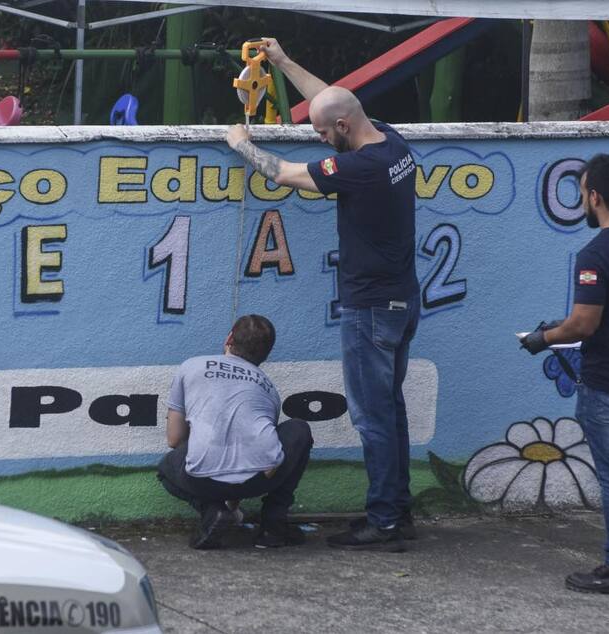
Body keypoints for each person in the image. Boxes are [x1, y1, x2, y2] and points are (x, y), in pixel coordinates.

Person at [226, 39, 419, 552]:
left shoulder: (359, 168)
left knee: (373, 419)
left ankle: (384, 523)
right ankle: (398, 511)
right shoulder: (392, 143)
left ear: (343, 128)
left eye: (321, 133)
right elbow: (333, 99)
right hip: (402, 301)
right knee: (391, 411)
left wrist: (240, 143)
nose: (318, 139)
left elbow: (286, 175)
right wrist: (284, 62)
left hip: (371, 308)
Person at [520, 154, 609, 597]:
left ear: (595, 196)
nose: (583, 200)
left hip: (608, 385)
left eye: (583, 192)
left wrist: (543, 338)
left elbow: (584, 324)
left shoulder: (596, 253)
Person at [157, 314, 313, 550]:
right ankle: (273, 526)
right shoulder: (269, 389)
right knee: (299, 429)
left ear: (229, 338)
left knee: (165, 469)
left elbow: (174, 438)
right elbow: (258, 449)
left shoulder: (191, 366)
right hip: (259, 480)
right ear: (265, 355)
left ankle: (213, 511)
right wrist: (235, 501)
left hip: (200, 479)